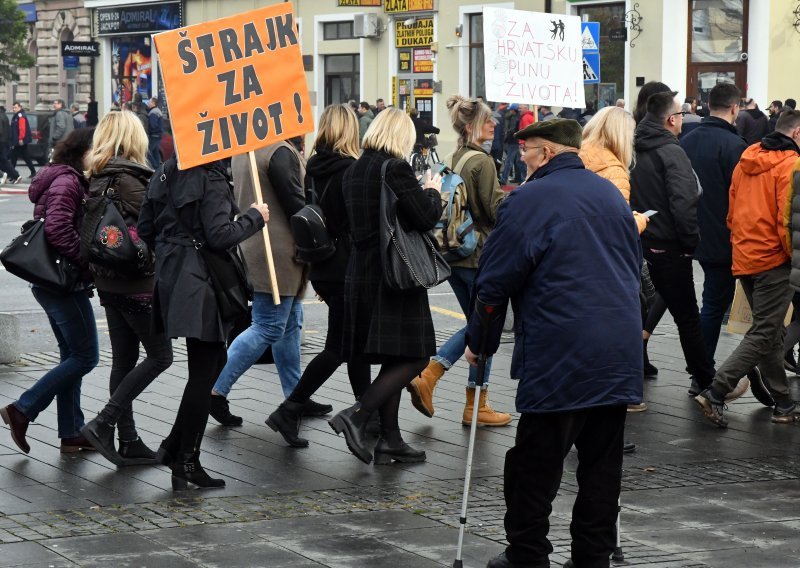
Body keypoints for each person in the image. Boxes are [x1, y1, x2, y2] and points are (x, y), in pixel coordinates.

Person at [470, 119, 643, 568]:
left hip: (561, 350)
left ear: (546, 153)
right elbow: (633, 268)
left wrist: (481, 343)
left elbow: (494, 284)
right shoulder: (610, 192)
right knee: (601, 466)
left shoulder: (527, 201)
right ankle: (593, 557)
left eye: (526, 152)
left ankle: (527, 556)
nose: (521, 160)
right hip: (617, 350)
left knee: (535, 464)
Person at [137, 157, 269, 489]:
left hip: (172, 275)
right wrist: (255, 217)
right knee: (204, 371)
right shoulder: (210, 178)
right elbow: (220, 235)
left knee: (211, 363)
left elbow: (145, 229)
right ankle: (187, 460)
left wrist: (174, 249)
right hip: (202, 282)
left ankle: (172, 446)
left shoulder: (165, 171)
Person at [328, 108, 442, 465]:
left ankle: (391, 439)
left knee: (393, 357)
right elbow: (424, 217)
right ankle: (358, 415)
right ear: (400, 137)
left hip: (361, 269)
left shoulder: (354, 169)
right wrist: (433, 193)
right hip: (395, 275)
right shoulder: (394, 168)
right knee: (415, 355)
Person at [266, 104, 371, 447]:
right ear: (350, 131)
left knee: (353, 345)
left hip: (322, 264)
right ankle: (290, 408)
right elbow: (354, 225)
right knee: (340, 346)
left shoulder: (313, 166)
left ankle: (365, 413)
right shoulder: (351, 170)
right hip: (345, 267)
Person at [408, 95, 510, 426]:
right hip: (478, 255)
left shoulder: (455, 157)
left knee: (477, 323)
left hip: (453, 253)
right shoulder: (482, 162)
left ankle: (469, 401)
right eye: (487, 121)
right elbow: (493, 211)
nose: (494, 124)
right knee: (484, 326)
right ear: (471, 127)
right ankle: (440, 379)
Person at [78, 111, 173, 466]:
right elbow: (160, 225)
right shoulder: (132, 181)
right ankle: (105, 423)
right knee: (161, 356)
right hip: (138, 282)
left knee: (124, 360)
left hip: (108, 279)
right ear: (135, 139)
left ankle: (129, 439)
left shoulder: (98, 177)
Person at [209, 137, 326, 426]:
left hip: (258, 242)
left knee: (289, 323)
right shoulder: (278, 151)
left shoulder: (243, 149)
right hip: (279, 249)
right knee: (269, 325)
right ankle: (214, 390)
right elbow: (296, 204)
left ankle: (295, 395)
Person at [695, 110, 800, 428]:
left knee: (770, 332)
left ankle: (783, 402)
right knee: (765, 332)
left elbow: (733, 207)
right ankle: (716, 391)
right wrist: (790, 257)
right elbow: (787, 219)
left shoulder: (748, 156)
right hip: (773, 259)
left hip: (744, 254)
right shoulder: (791, 165)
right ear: (796, 134)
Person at [0, 128, 99, 455]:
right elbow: (56, 229)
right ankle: (23, 408)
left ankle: (71, 432)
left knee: (72, 355)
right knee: (86, 356)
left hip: (52, 282)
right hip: (62, 282)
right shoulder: (68, 182)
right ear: (83, 152)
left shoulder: (62, 178)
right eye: (96, 150)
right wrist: (86, 265)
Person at [629, 91, 719, 397]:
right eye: (681, 114)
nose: (683, 119)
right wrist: (690, 243)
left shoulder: (635, 146)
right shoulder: (671, 150)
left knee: (653, 307)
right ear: (671, 119)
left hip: (644, 240)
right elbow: (684, 203)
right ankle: (706, 380)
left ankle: (702, 375)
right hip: (670, 245)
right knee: (688, 318)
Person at [579, 106, 649, 418]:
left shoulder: (577, 157)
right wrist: (639, 221)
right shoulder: (614, 170)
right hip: (604, 263)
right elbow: (615, 227)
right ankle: (616, 397)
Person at [680, 83, 748, 370]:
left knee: (707, 304)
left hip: (691, 231)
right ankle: (702, 369)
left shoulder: (686, 141)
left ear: (708, 106)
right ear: (735, 108)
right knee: (714, 306)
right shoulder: (736, 146)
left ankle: (701, 367)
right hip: (726, 237)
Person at [10, 102, 37, 182]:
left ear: (20, 107)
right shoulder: (17, 115)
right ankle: (33, 172)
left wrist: (21, 139)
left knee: (14, 157)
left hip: (19, 141)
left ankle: (12, 174)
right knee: (24, 156)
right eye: (13, 107)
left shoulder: (20, 116)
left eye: (15, 107)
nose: (14, 109)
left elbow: (22, 128)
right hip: (18, 140)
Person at [500, 104, 524, 184]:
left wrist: (506, 136)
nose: (510, 111)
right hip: (517, 142)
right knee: (518, 162)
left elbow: (512, 130)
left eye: (511, 110)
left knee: (509, 161)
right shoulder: (519, 117)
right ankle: (519, 178)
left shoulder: (514, 118)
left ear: (513, 110)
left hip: (513, 142)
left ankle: (503, 179)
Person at [146, 97, 163, 168]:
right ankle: (159, 169)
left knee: (147, 152)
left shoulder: (153, 113)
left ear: (153, 103)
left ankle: (155, 167)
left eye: (149, 102)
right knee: (155, 153)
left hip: (154, 135)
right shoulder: (157, 111)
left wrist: (148, 130)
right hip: (158, 135)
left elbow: (153, 125)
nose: (148, 103)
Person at [0, 106, 13, 184]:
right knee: (4, 160)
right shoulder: (5, 116)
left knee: (3, 160)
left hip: (1, 141)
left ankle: (3, 174)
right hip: (5, 141)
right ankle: (9, 174)